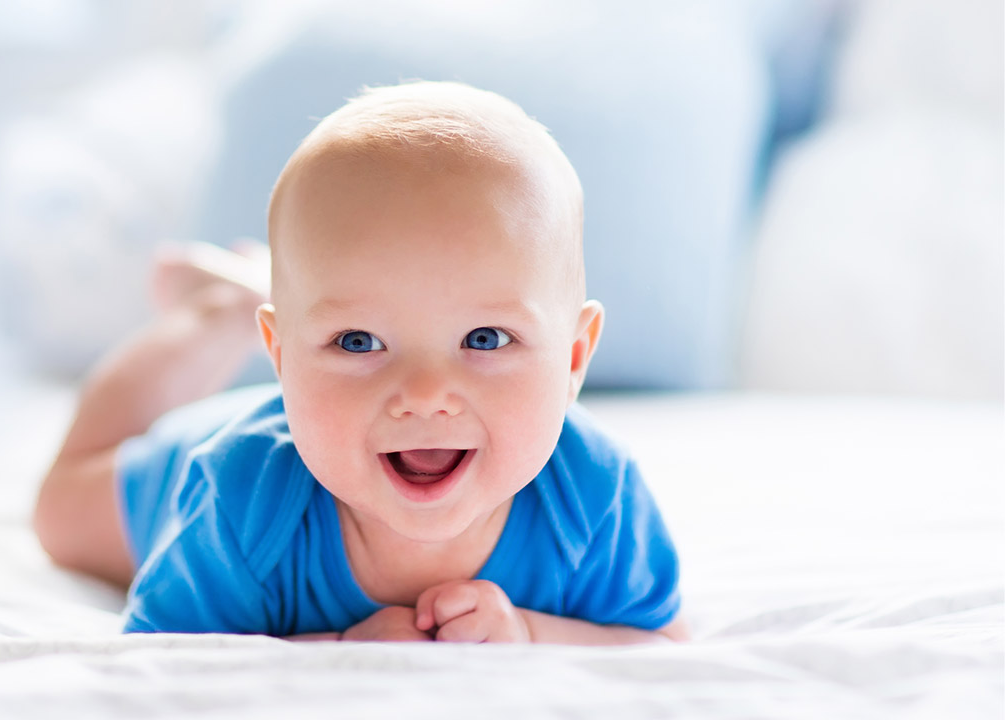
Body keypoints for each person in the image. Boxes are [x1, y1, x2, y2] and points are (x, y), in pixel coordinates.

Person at [34, 81, 687, 644]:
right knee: (59, 513)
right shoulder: (240, 499)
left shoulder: (594, 496)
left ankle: (279, 297)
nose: (426, 394)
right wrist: (336, 645)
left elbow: (657, 640)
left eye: (485, 339)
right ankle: (221, 313)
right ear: (282, 357)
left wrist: (528, 631)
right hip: (177, 469)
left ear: (573, 357)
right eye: (357, 341)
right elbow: (165, 661)